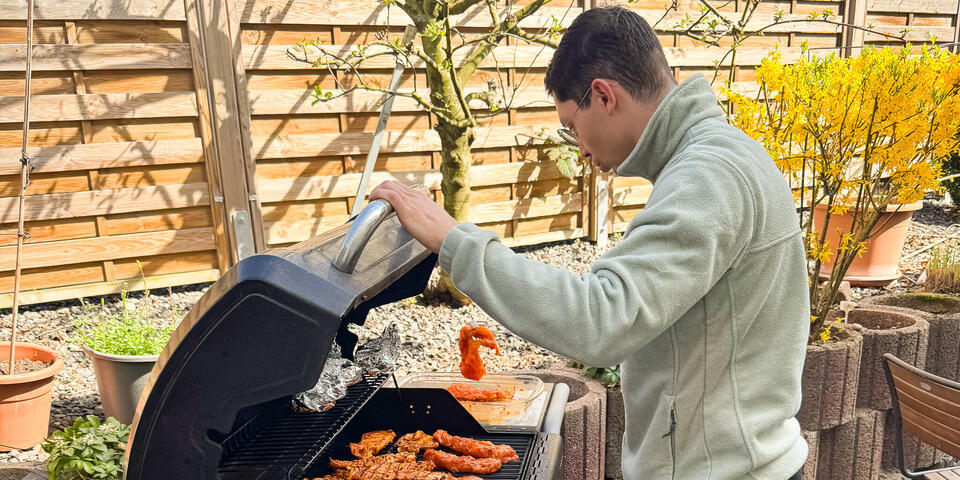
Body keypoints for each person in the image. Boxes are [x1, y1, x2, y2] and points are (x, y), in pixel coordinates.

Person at [370, 6, 809, 479]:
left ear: (603, 95)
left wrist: (454, 240)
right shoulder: (718, 155)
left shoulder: (708, 176)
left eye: (571, 125)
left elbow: (601, 317)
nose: (578, 146)